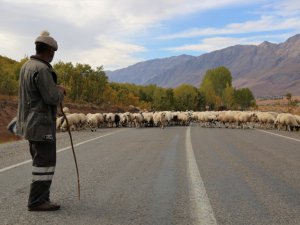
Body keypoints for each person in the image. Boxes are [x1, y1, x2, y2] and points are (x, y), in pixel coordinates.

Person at [16, 31, 66, 211]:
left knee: (40, 161)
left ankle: (41, 197)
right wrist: (60, 91)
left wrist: (53, 88)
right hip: (41, 125)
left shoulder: (27, 66)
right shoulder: (42, 69)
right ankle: (37, 201)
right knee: (44, 163)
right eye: (53, 52)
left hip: (28, 123)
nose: (53, 55)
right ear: (49, 50)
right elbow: (51, 98)